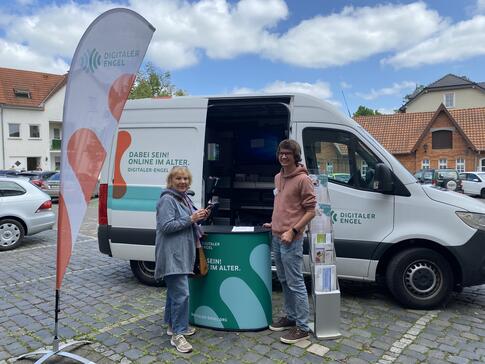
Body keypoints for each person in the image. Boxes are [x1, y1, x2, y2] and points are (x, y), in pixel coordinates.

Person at [264, 139, 316, 344]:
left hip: (291, 239)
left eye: (288, 153)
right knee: (284, 281)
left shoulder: (303, 180)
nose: (283, 156)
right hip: (277, 236)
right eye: (281, 153)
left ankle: (302, 327)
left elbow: (311, 211)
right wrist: (274, 223)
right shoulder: (278, 177)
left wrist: (293, 230)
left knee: (296, 284)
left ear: (296, 156)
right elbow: (283, 205)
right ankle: (290, 317)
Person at [154, 166, 208, 353]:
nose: (183, 182)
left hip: (181, 253)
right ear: (171, 181)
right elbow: (166, 226)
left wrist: (199, 216)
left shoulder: (184, 198)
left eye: (185, 178)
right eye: (178, 178)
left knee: (174, 293)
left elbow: (189, 221)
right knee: (182, 294)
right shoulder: (167, 200)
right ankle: (178, 334)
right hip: (172, 255)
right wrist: (191, 218)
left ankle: (172, 326)